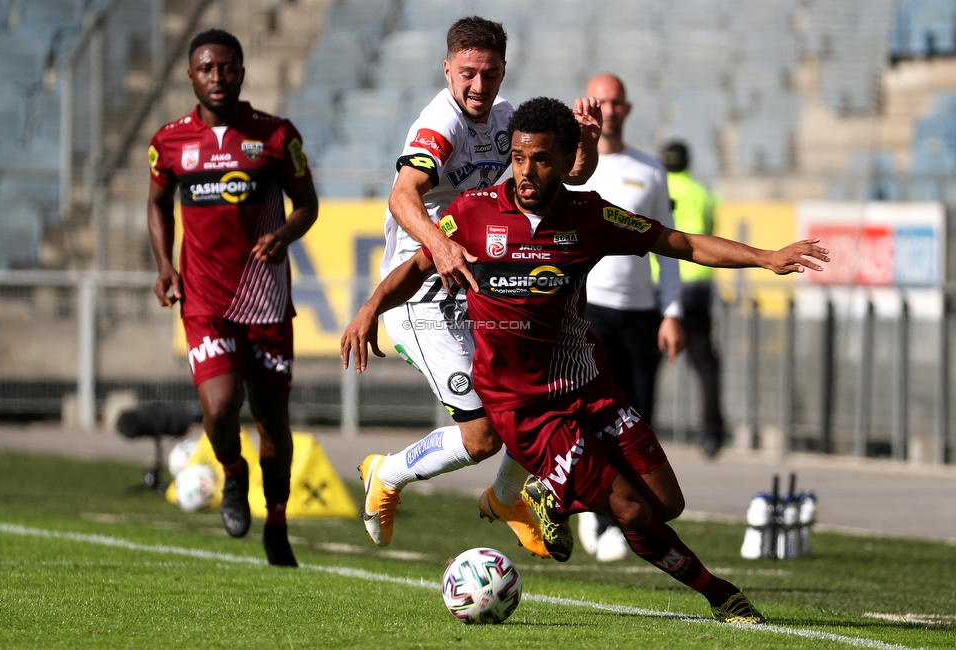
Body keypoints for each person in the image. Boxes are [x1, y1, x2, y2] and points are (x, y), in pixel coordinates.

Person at [342, 97, 828, 623]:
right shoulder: (474, 213)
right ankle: (721, 594)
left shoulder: (590, 215)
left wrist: (765, 257)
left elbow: (677, 241)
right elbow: (418, 266)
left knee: (666, 504)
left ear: (567, 158)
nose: (527, 172)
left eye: (543, 160)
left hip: (589, 387)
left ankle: (549, 490)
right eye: (520, 157)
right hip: (524, 408)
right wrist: (371, 307)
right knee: (630, 510)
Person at [356, 16, 601, 562]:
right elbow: (403, 196)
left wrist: (585, 147)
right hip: (419, 296)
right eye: (466, 73)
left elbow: (572, 177)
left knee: (541, 393)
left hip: (475, 290)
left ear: (502, 72)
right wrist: (440, 248)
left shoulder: (508, 119)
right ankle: (386, 473)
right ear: (447, 69)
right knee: (483, 437)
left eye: (488, 74)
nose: (477, 86)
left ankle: (508, 496)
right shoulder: (438, 124)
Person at [147, 29, 319, 567]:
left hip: (264, 301)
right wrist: (164, 266)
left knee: (273, 423)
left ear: (241, 72)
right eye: (206, 68)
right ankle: (232, 474)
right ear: (191, 75)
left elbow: (307, 205)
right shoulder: (169, 141)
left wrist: (284, 235)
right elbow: (157, 204)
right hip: (203, 302)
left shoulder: (273, 135)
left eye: (227, 67)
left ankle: (278, 524)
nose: (217, 77)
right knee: (221, 408)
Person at [577, 73, 686, 563]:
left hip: (641, 315)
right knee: (596, 417)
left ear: (628, 108)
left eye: (617, 102)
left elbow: (670, 247)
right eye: (601, 101)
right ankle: (599, 513)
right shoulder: (576, 166)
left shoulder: (649, 170)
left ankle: (631, 516)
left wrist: (672, 311)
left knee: (640, 418)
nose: (609, 109)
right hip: (591, 311)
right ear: (588, 105)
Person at [661, 141, 726, 458]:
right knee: (705, 365)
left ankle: (633, 429)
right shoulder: (703, 193)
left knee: (644, 365)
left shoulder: (657, 187)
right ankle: (713, 434)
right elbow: (710, 234)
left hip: (661, 286)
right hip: (697, 285)